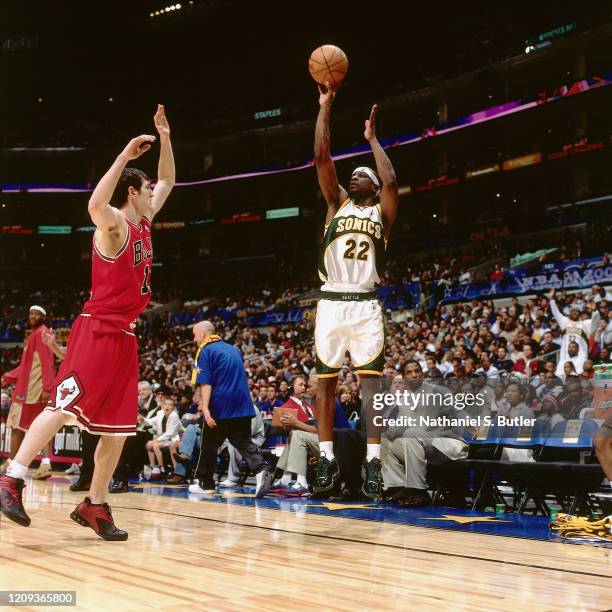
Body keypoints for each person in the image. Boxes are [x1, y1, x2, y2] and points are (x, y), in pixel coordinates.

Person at [0, 105, 175, 540]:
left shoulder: (146, 222)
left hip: (125, 337)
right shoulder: (113, 226)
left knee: (118, 431)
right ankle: (12, 477)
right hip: (97, 329)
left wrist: (166, 138)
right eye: (146, 188)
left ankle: (95, 504)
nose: (154, 192)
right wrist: (124, 158)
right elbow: (95, 202)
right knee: (62, 409)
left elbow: (170, 179)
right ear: (132, 192)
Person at [312, 80, 398, 499]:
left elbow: (393, 180)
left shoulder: (383, 210)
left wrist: (372, 140)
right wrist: (325, 108)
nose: (354, 175)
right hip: (331, 300)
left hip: (365, 302)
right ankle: (325, 458)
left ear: (374, 186)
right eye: (352, 174)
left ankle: (374, 462)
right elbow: (321, 156)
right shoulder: (336, 204)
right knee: (324, 382)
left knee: (371, 386)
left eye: (362, 173)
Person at [188, 321, 273, 498]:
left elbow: (206, 383)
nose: (195, 339)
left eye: (195, 335)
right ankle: (261, 468)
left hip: (221, 403)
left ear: (203, 334)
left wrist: (205, 408)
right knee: (242, 441)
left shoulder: (205, 350)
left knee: (209, 444)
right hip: (243, 404)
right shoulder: (233, 349)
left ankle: (205, 483)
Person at [1, 306, 56, 479]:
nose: (33, 316)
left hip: (29, 391)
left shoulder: (41, 333)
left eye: (37, 314)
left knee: (17, 428)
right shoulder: (34, 334)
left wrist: (48, 387)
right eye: (31, 313)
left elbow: (47, 363)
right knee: (41, 427)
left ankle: (11, 463)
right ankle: (45, 463)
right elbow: (26, 367)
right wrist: (8, 376)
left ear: (44, 317)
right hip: (31, 387)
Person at [548, 289, 591, 378]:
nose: (574, 313)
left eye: (576, 311)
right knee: (559, 381)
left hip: (580, 358)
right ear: (569, 313)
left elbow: (598, 319)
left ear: (580, 313)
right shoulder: (564, 322)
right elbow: (555, 312)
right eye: (572, 311)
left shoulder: (586, 324)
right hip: (565, 357)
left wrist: (592, 308)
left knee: (577, 380)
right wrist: (552, 299)